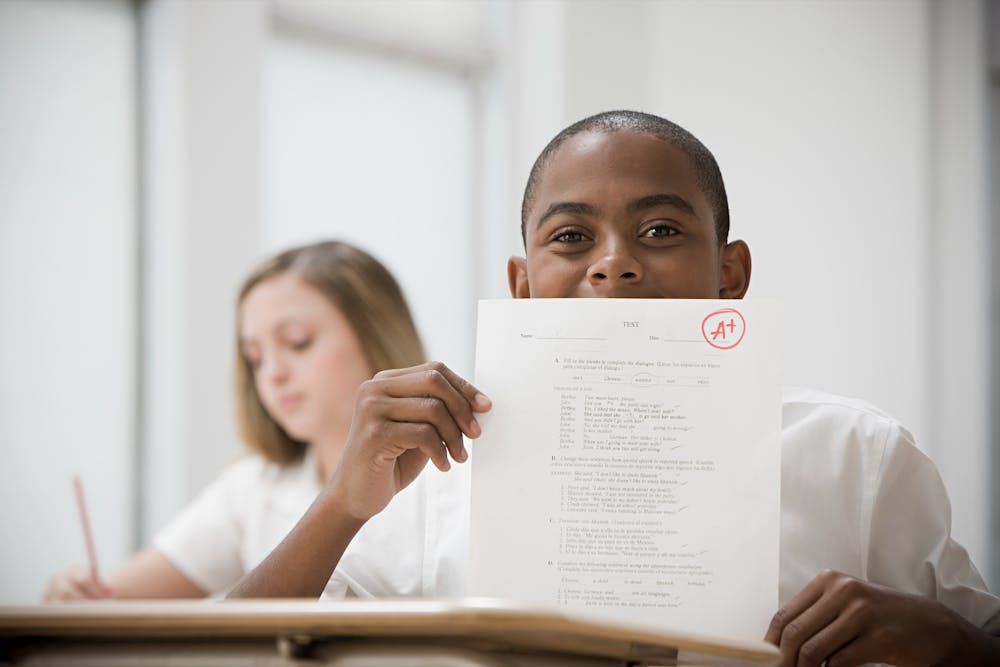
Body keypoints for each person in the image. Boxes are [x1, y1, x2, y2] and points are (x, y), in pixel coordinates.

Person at [237, 110, 1000, 665]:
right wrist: (342, 503)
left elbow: (980, 641)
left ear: (730, 274)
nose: (614, 265)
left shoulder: (855, 454)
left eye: (661, 230)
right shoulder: (441, 477)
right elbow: (224, 655)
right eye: (571, 237)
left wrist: (950, 640)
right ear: (524, 284)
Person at [43, 239, 462, 600]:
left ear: (377, 333)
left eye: (298, 343)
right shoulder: (254, 486)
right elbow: (115, 602)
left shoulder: (457, 476)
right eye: (255, 358)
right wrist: (76, 594)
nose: (273, 374)